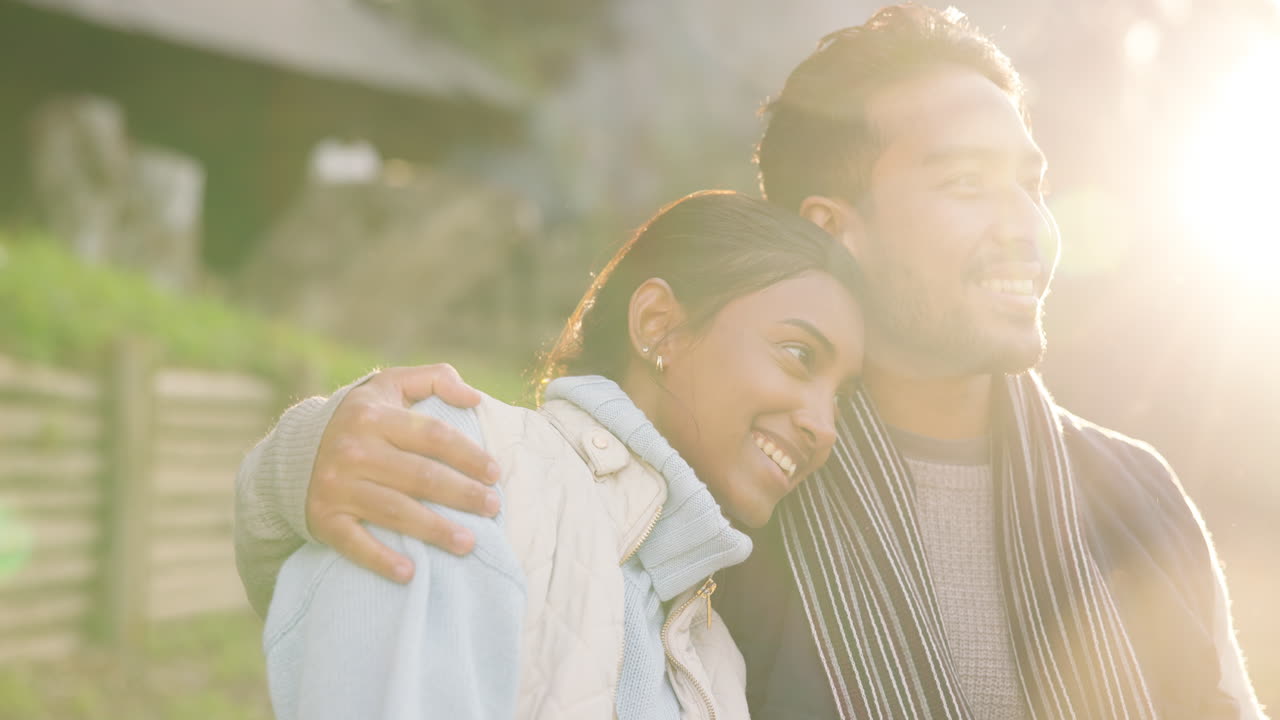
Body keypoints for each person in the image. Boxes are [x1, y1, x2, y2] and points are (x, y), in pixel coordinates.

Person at [236, 5, 1266, 719]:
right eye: (965, 184)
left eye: (1029, 185)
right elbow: (524, 527)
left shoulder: (1135, 497)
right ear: (835, 225)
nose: (1023, 226)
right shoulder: (742, 493)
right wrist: (298, 460)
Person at [257, 190, 866, 719]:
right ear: (658, 324)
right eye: (799, 355)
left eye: (840, 398)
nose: (823, 426)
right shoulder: (464, 468)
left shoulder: (714, 659)